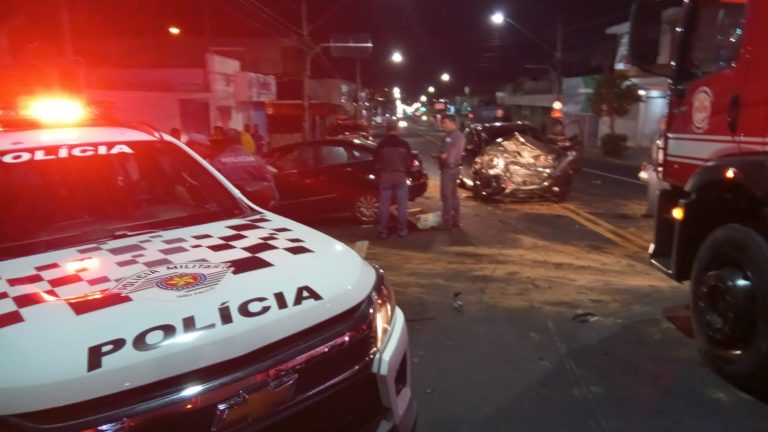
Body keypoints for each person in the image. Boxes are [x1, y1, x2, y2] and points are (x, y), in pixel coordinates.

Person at [205, 128, 279, 209]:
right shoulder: (257, 160)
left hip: (233, 209)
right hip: (258, 207)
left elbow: (213, 190)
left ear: (224, 142)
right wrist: (274, 200)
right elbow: (269, 183)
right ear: (240, 141)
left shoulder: (217, 162)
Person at [374, 120, 413, 239]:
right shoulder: (404, 144)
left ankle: (383, 231)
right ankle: (402, 230)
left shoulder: (381, 144)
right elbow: (409, 163)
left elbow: (376, 162)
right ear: (397, 129)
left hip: (385, 176)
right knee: (402, 205)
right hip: (400, 176)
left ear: (387, 130)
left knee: (384, 205)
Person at [435, 115, 466, 229]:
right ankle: (455, 220)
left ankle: (446, 222)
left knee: (446, 196)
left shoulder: (449, 137)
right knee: (453, 196)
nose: (443, 125)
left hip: (447, 169)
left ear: (452, 123)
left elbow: (445, 155)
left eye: (445, 123)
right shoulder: (461, 136)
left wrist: (438, 157)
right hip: (456, 168)